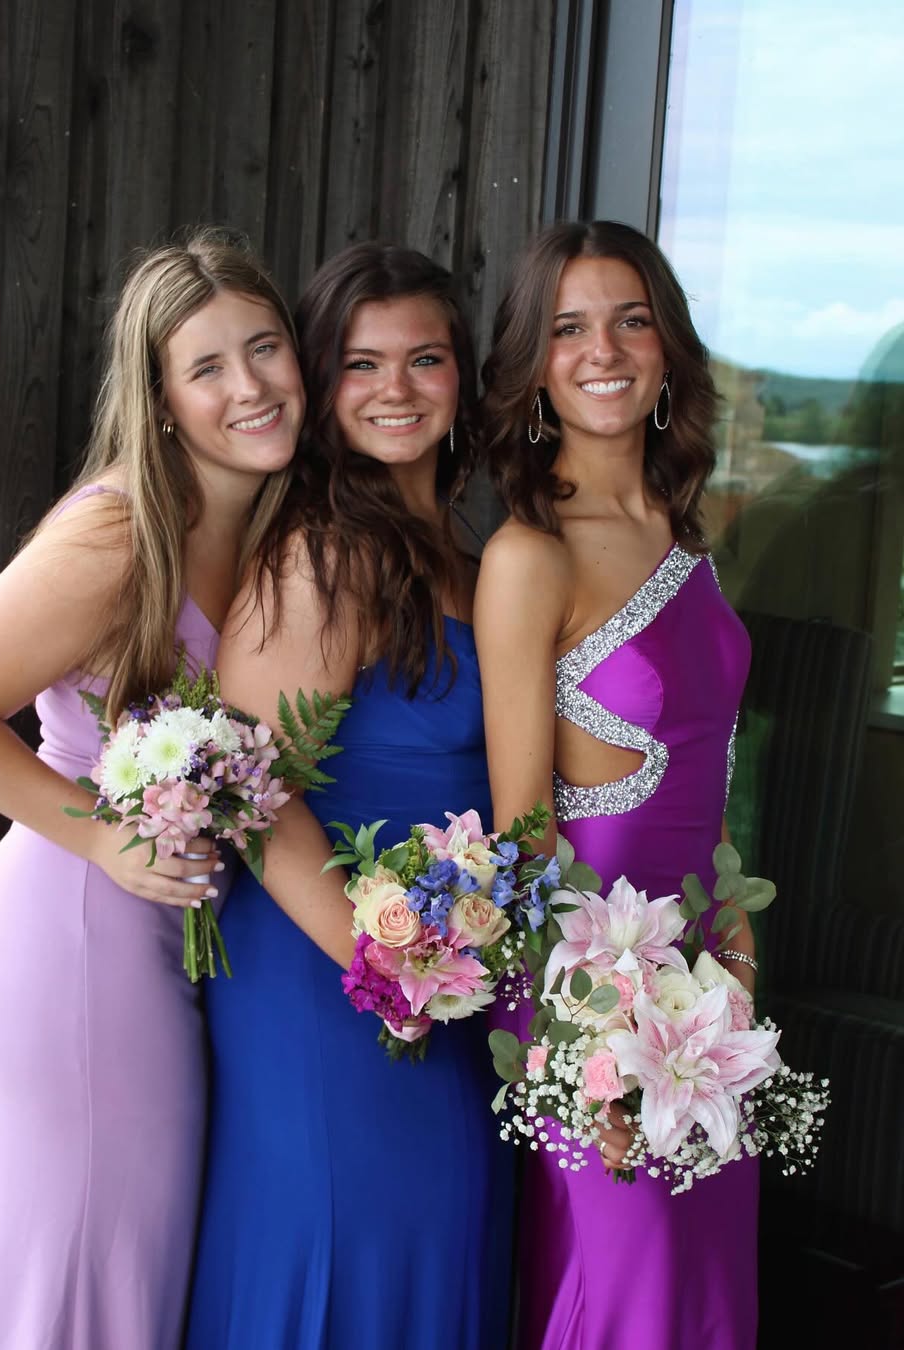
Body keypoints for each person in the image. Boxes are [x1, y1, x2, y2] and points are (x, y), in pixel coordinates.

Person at [0, 228, 304, 1350]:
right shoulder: (121, 531)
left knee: (89, 1262)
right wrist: (107, 842)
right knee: (86, 1262)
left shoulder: (266, 530)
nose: (250, 386)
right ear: (162, 401)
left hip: (150, 937)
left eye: (265, 348)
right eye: (208, 367)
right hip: (76, 930)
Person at [185, 243, 514, 1350]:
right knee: (344, 1243)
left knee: (435, 1245)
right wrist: (390, 968)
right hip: (327, 977)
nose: (395, 389)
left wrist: (442, 967)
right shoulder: (325, 555)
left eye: (426, 359)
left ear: (461, 376)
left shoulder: (463, 556)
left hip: (439, 971)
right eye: (363, 364)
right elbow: (249, 789)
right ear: (325, 384)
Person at [475, 220, 759, 1350]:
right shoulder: (528, 554)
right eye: (569, 328)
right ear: (536, 367)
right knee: (627, 1300)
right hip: (586, 1002)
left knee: (702, 1301)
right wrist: (590, 1052)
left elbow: (711, 802)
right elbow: (522, 834)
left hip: (705, 1004)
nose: (604, 350)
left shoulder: (686, 539)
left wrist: (736, 987)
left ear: (667, 349)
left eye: (631, 320)